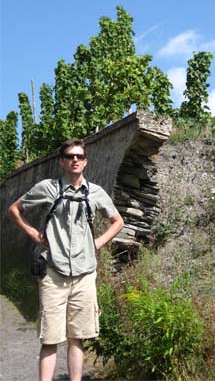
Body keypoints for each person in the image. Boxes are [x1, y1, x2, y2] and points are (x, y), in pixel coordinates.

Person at [8, 138, 124, 381]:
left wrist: (97, 244)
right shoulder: (47, 188)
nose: (75, 160)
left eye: (79, 156)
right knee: (50, 338)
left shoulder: (95, 193)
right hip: (53, 272)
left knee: (77, 337)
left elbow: (118, 221)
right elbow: (14, 210)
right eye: (70, 156)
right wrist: (32, 232)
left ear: (85, 162)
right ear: (62, 161)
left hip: (84, 274)